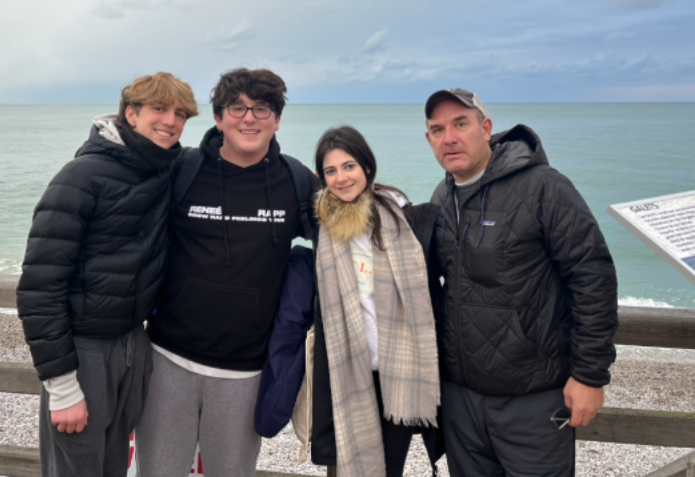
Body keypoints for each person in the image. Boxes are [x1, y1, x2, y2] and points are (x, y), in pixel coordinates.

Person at [136, 68, 321, 477]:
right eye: (237, 107)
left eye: (262, 108)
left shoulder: (295, 181)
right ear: (219, 118)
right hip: (168, 358)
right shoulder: (182, 171)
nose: (249, 118)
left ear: (277, 120)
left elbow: (345, 234)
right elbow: (123, 209)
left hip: (246, 371)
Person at [425, 88, 618, 476]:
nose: (450, 138)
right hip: (461, 400)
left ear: (486, 128)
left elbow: (592, 276)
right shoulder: (442, 196)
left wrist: (589, 375)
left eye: (461, 124)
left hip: (533, 400)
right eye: (437, 129)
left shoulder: (544, 187)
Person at [16, 72, 198, 477]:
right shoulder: (80, 178)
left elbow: (226, 161)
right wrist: (62, 387)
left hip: (135, 344)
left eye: (181, 114)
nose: (171, 121)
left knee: (115, 467)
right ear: (131, 114)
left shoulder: (166, 167)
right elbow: (38, 288)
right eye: (159, 109)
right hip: (83, 352)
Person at [310, 126, 443, 477]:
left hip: (397, 371)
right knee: (348, 465)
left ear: (367, 167)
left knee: (390, 469)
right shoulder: (323, 227)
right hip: (350, 369)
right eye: (331, 170)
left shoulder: (405, 219)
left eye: (349, 166)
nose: (341, 178)